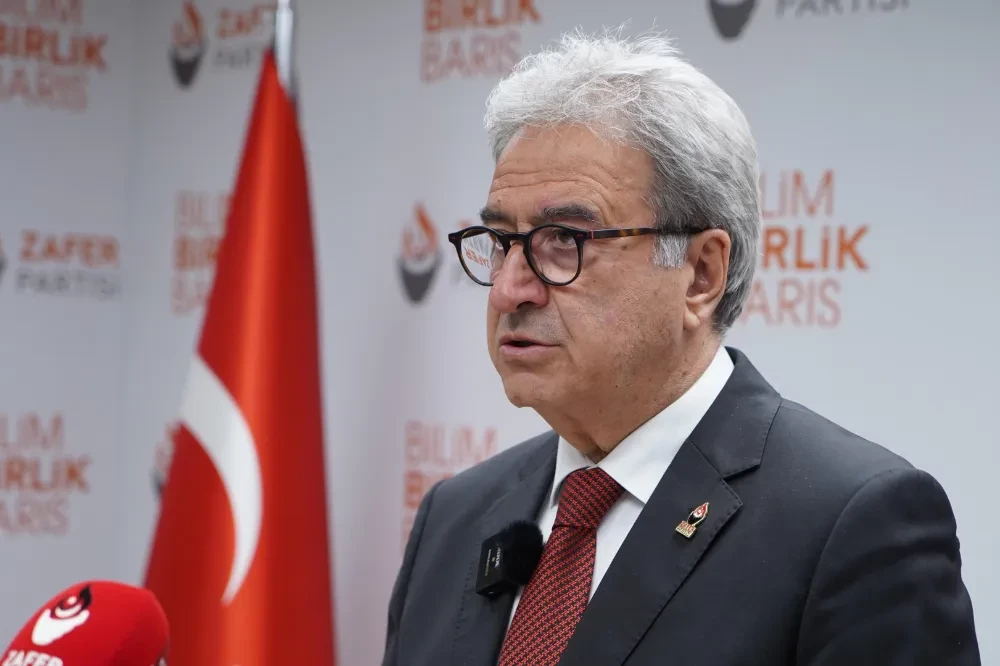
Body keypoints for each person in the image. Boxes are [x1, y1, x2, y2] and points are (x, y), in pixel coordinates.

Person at [381, 30, 980, 666]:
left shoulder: (853, 525)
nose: (509, 289)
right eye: (502, 242)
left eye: (564, 241)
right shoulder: (455, 516)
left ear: (700, 274)